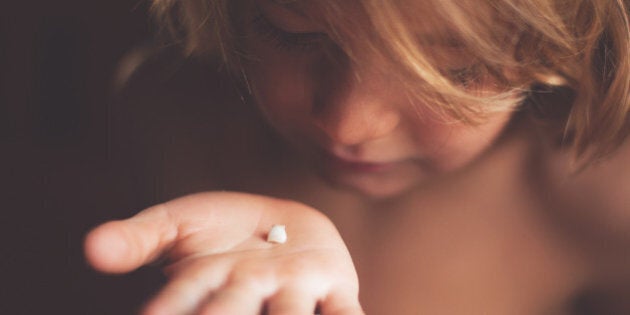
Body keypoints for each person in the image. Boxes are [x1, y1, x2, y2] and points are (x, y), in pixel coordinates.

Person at [84, 0, 630, 313]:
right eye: (293, 33)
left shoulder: (599, 202)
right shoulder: (163, 114)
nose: (348, 124)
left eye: (454, 69)